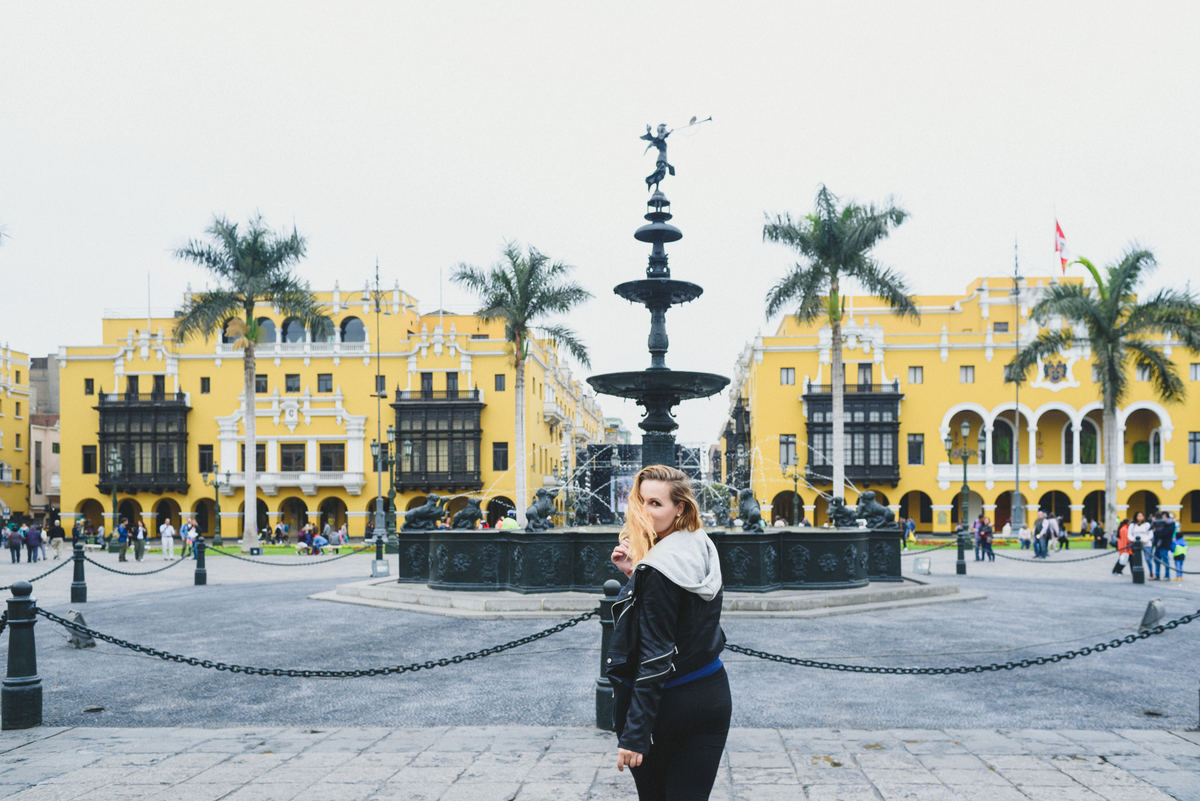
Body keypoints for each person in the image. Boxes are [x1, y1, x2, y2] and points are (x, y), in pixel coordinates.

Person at [607, 465, 729, 800]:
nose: (644, 511)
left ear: (681, 508)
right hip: (711, 693)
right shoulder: (699, 544)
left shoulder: (657, 569)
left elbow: (656, 656)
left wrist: (634, 734)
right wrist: (636, 576)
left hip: (669, 707)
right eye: (641, 501)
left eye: (656, 504)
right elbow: (685, 617)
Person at [1150, 512, 1174, 581]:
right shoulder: (1160, 524)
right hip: (1158, 544)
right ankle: (1157, 575)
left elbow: (1166, 533)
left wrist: (1158, 530)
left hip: (1165, 544)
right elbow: (1155, 533)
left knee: (1165, 560)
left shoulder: (1171, 524)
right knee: (1156, 560)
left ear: (1166, 516)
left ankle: (1167, 576)